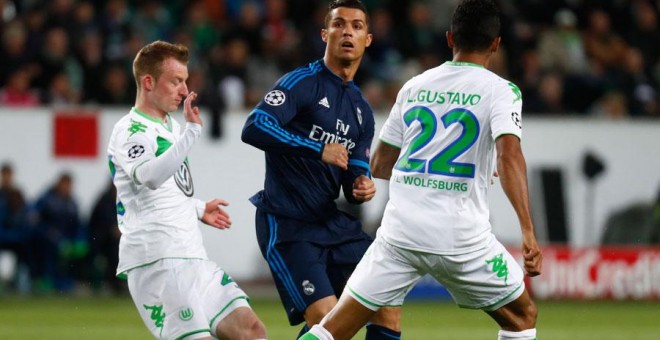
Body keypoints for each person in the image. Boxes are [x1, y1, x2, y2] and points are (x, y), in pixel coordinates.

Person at [301, 1, 543, 339]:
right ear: (495, 44)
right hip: (461, 238)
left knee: (333, 329)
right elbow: (510, 156)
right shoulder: (502, 91)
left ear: (449, 39)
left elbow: (380, 165)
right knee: (521, 316)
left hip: (401, 234)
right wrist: (528, 231)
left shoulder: (415, 86)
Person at [241, 1, 401, 338]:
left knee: (386, 302)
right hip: (287, 222)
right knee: (327, 319)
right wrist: (317, 149)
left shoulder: (361, 111)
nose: (347, 31)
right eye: (339, 24)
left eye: (357, 26)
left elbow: (353, 176)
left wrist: (361, 186)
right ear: (324, 33)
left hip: (331, 223)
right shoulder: (301, 83)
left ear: (368, 39)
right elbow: (254, 126)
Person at [106, 40, 266, 339]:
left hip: (192, 256)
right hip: (157, 260)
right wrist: (192, 133)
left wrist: (198, 207)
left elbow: (165, 190)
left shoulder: (169, 127)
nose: (184, 90)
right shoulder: (130, 130)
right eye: (176, 81)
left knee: (251, 330)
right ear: (149, 81)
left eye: (185, 81)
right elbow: (150, 176)